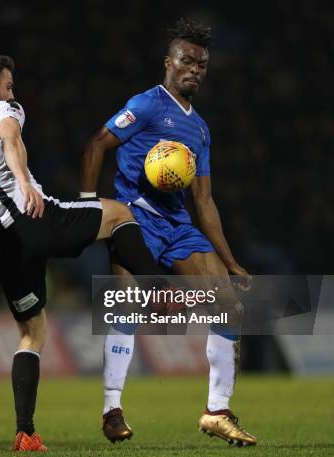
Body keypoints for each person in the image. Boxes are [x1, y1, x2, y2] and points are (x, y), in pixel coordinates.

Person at [0, 52, 156, 452]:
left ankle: (26, 433)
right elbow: (10, 137)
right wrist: (23, 182)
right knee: (119, 214)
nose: (12, 91)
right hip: (34, 218)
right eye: (8, 84)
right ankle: (167, 293)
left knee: (31, 332)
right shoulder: (4, 108)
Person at [80, 18, 257, 447]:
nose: (195, 69)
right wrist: (89, 205)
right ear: (168, 62)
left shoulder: (199, 130)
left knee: (227, 306)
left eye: (202, 64)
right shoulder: (146, 104)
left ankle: (217, 411)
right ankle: (112, 409)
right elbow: (97, 144)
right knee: (125, 311)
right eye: (187, 61)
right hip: (134, 218)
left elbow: (205, 202)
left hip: (177, 227)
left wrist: (231, 262)